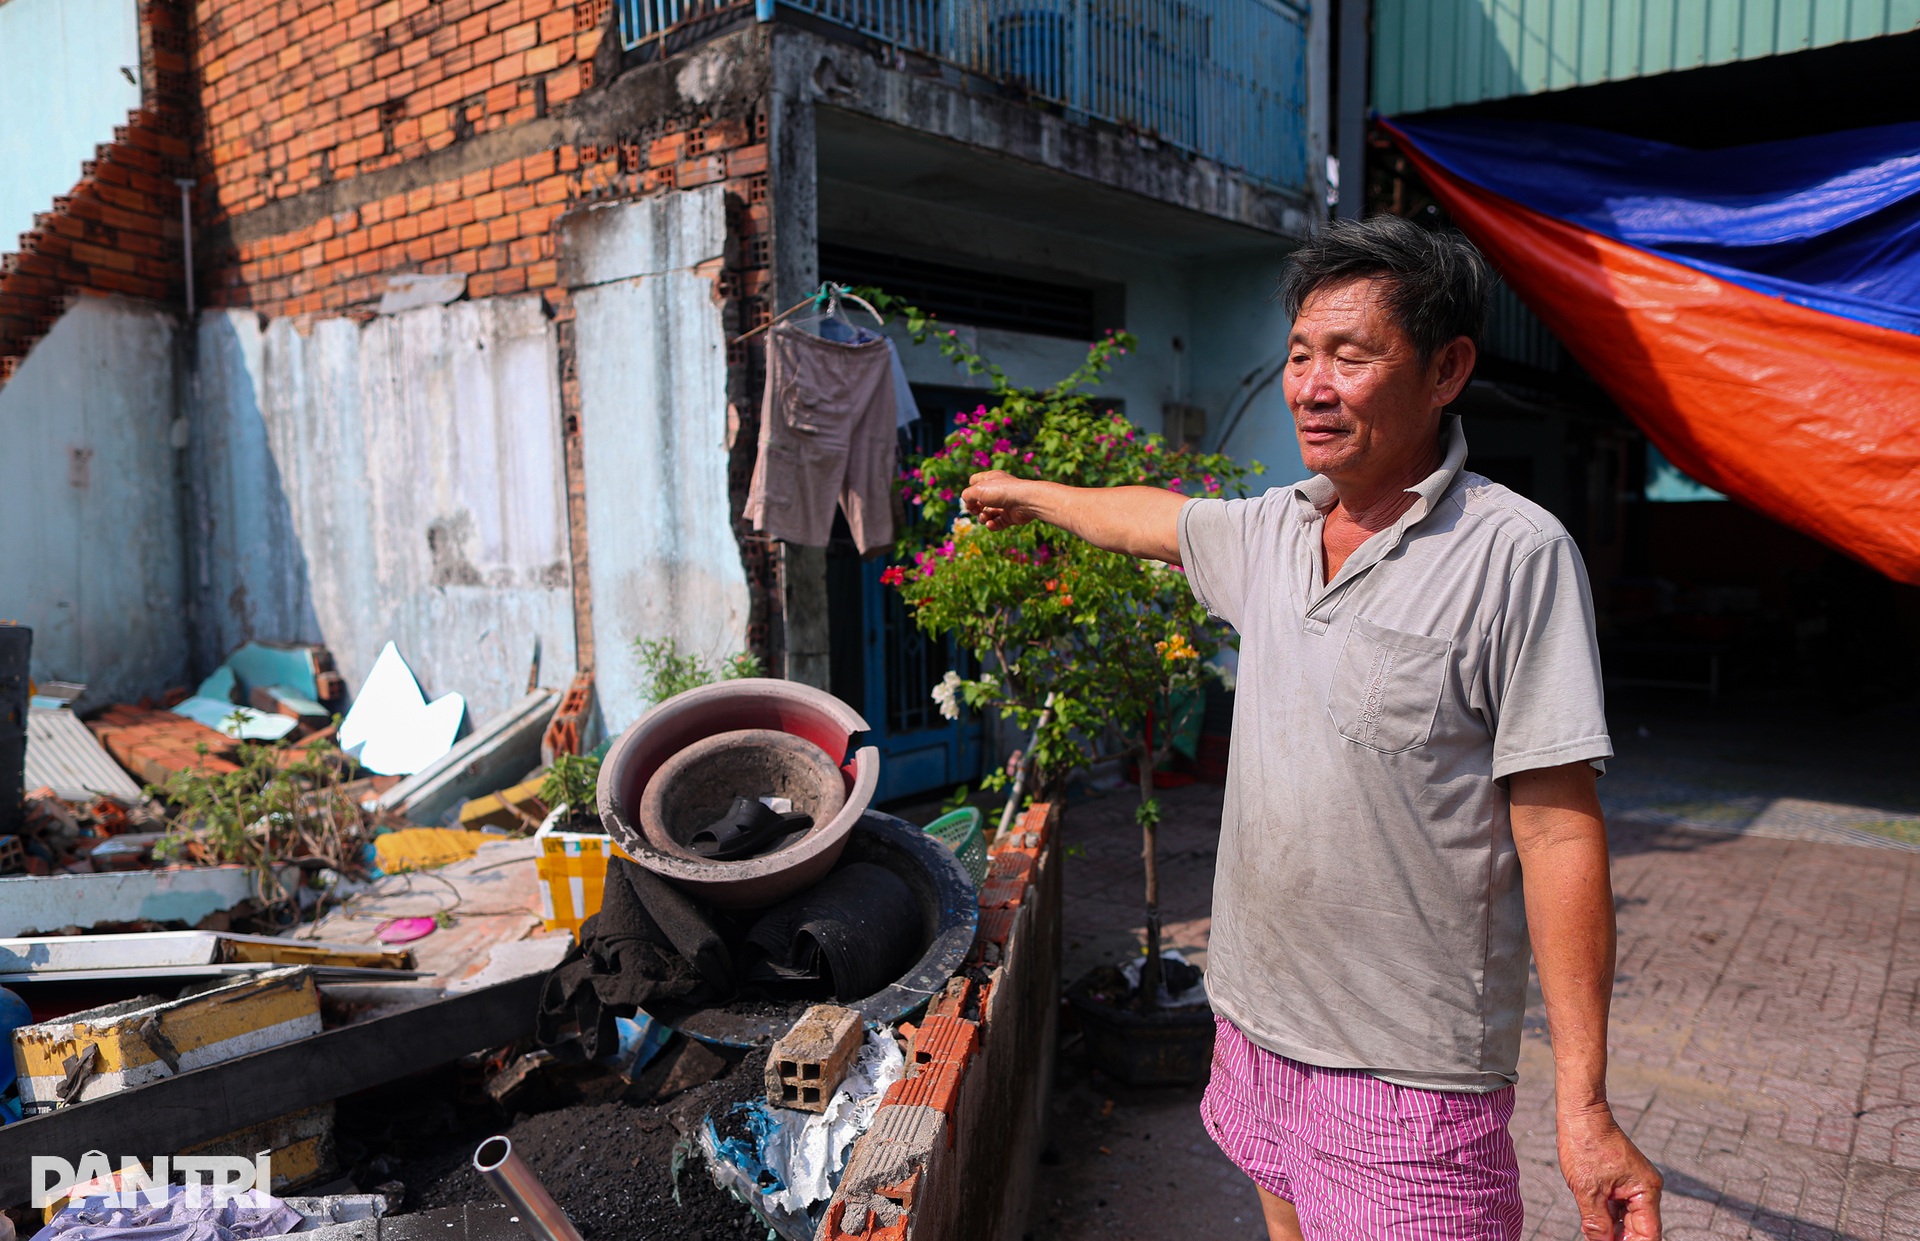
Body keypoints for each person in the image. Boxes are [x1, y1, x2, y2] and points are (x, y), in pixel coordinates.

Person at [962, 216, 1662, 1241]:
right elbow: (1146, 517)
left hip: (1407, 1077)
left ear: (1445, 369)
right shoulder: (1273, 530)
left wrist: (1584, 1104)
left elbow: (1558, 831)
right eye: (1299, 354)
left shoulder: (1514, 555)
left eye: (1353, 354)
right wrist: (1024, 492)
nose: (1312, 384)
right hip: (1253, 1022)